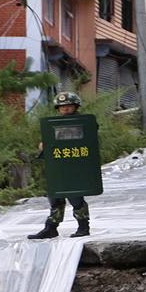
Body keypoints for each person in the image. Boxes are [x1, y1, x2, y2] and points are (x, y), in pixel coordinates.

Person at [28, 92, 92, 239]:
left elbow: (87, 141)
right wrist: (44, 145)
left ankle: (83, 226)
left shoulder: (83, 122)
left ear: (75, 107)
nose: (66, 109)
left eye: (69, 106)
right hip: (58, 165)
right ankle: (50, 228)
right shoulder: (53, 124)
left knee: (75, 197)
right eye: (62, 107)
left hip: (75, 166)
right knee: (55, 198)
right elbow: (51, 141)